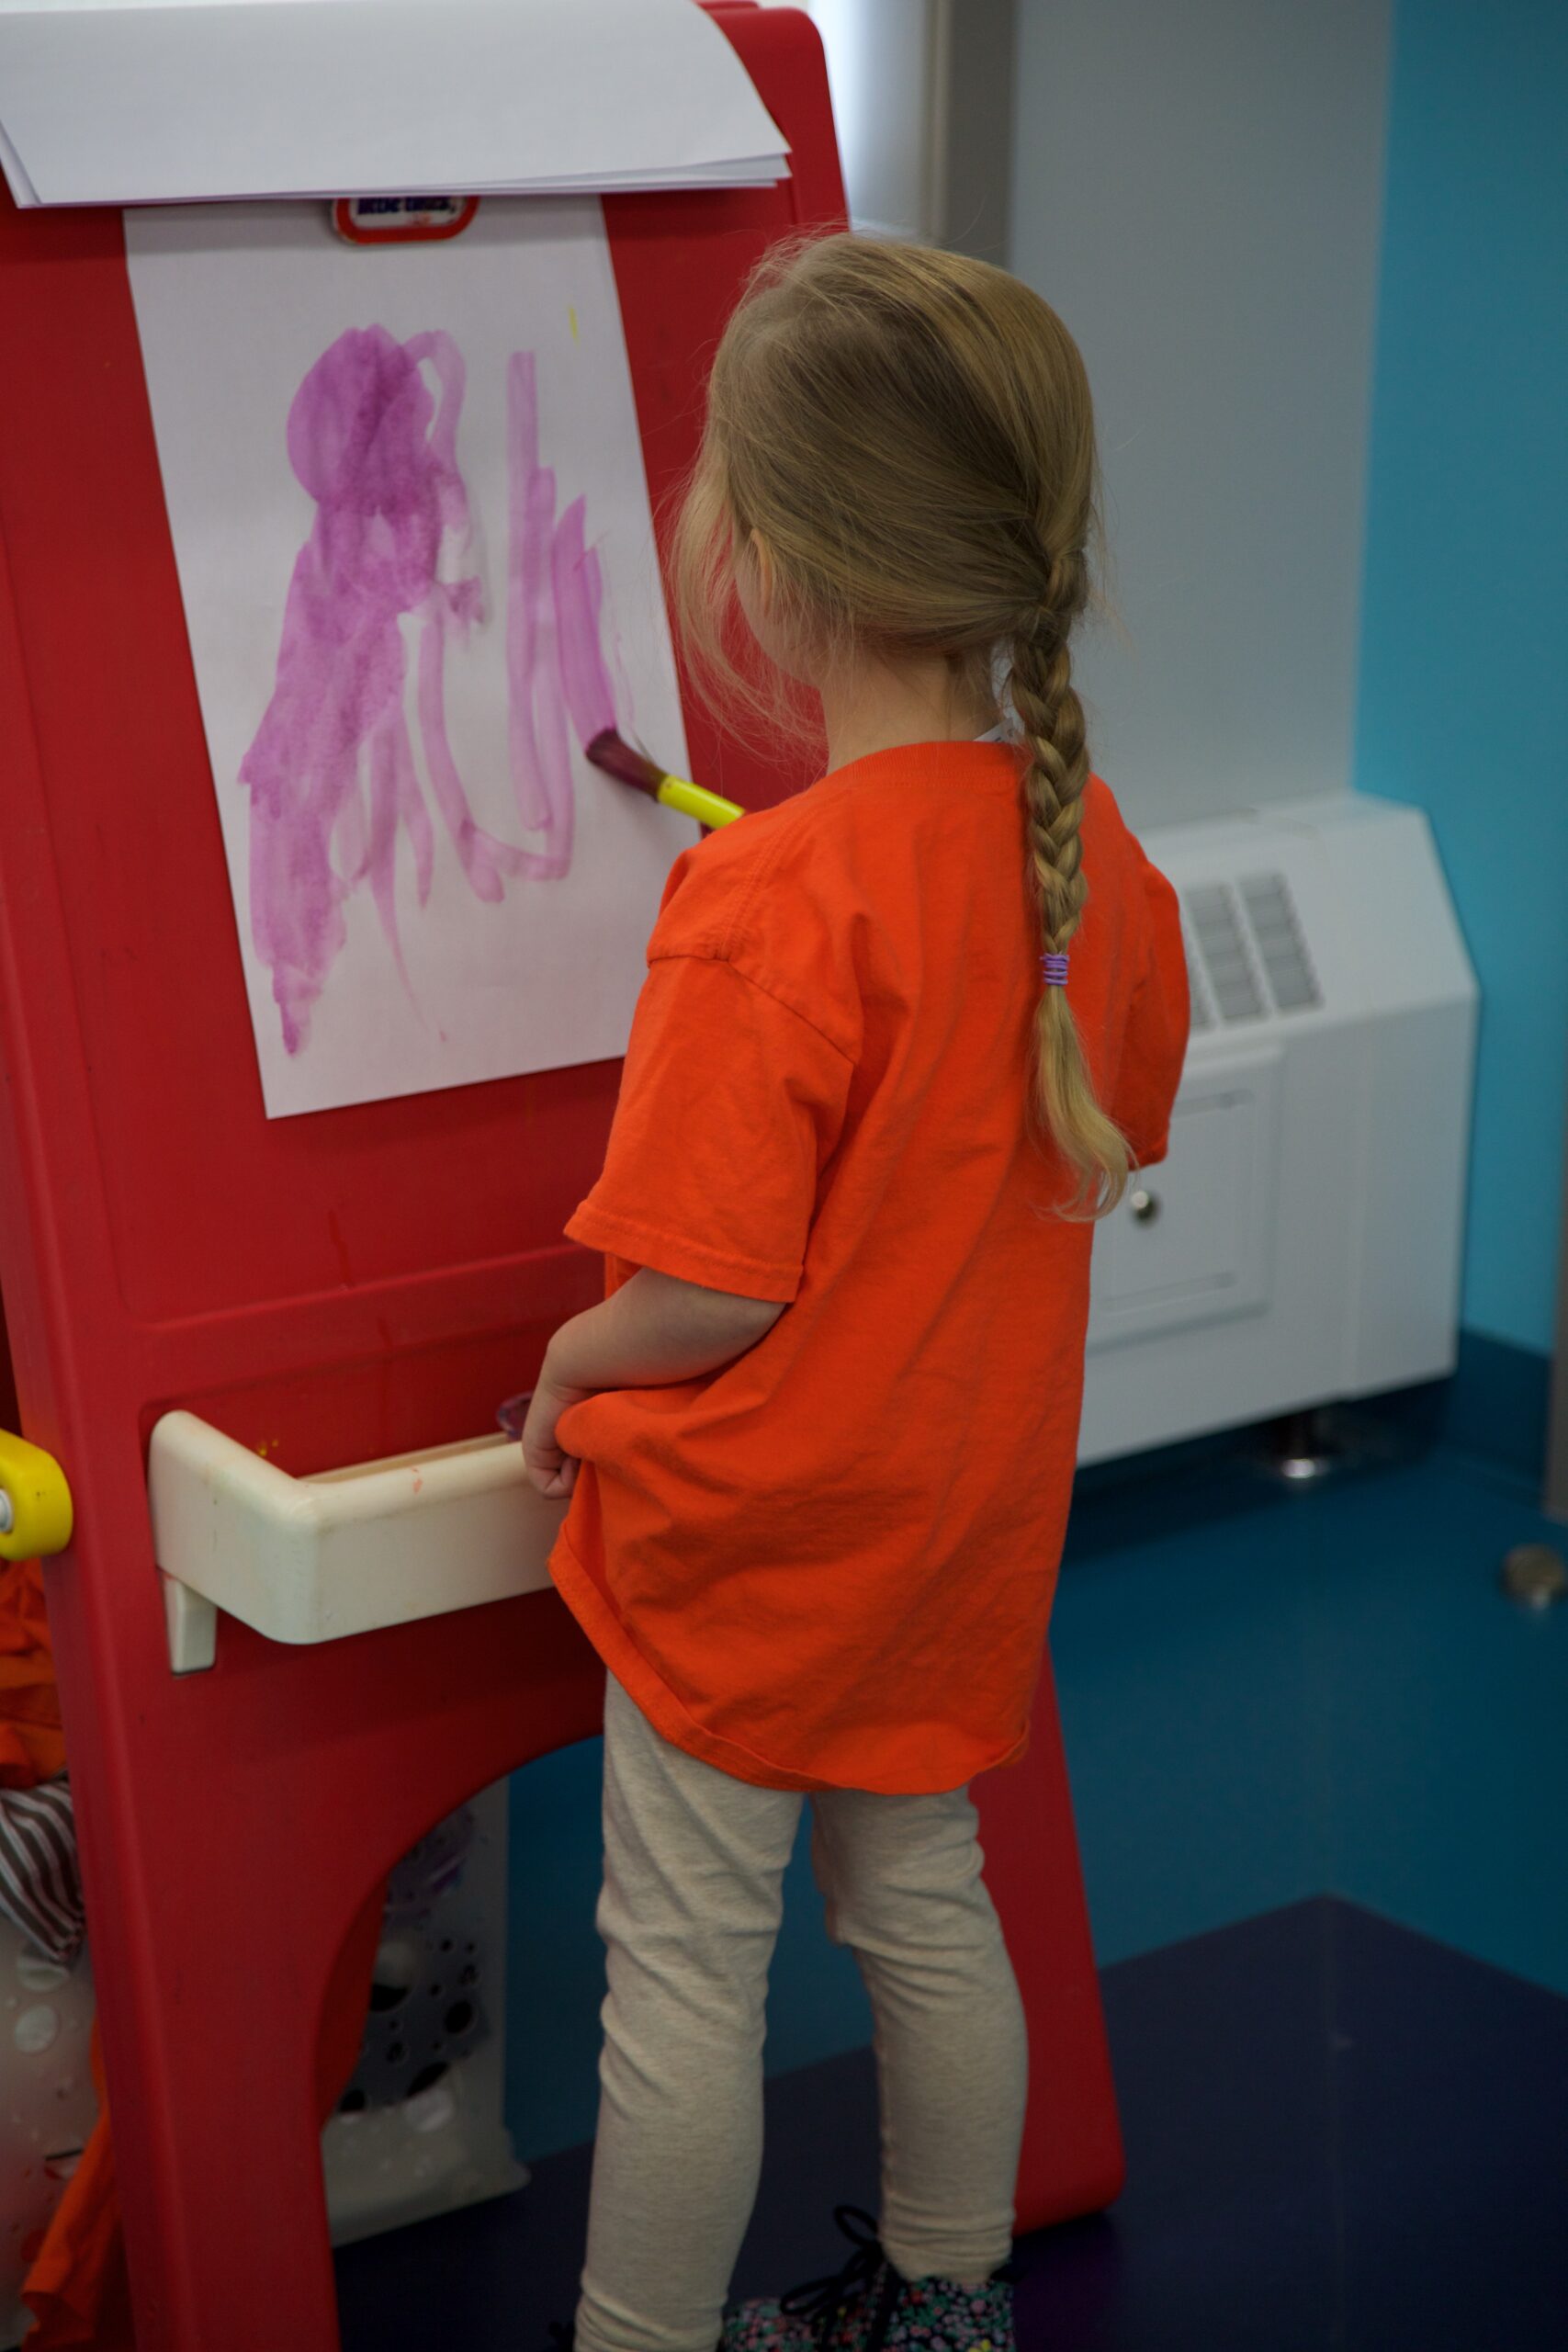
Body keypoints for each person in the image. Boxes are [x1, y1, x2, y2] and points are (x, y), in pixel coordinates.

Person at [521, 232, 1190, 2352]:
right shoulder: (1108, 873)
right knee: (923, 1906)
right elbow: (1061, 1151)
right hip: (952, 1528)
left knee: (688, 1969)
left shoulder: (760, 898)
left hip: (751, 1552)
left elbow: (700, 1296)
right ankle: (947, 2302)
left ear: (763, 556)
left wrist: (563, 1359)